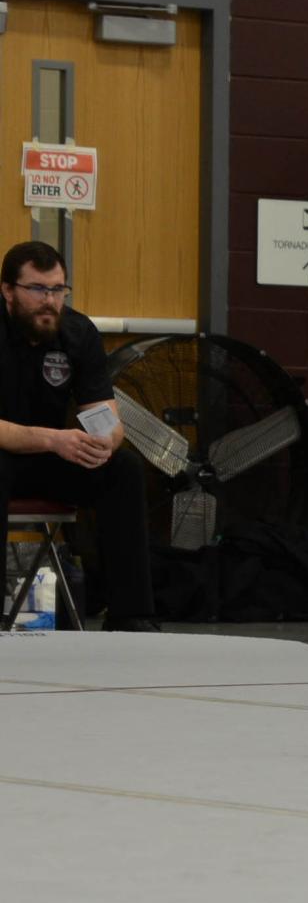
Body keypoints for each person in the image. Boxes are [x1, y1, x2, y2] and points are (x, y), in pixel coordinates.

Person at [0, 240, 156, 631]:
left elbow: (101, 412)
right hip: (7, 451)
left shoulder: (77, 332)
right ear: (7, 291)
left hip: (50, 458)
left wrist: (107, 439)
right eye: (37, 289)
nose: (49, 300)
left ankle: (130, 615)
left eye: (58, 289)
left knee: (122, 469)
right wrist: (53, 439)